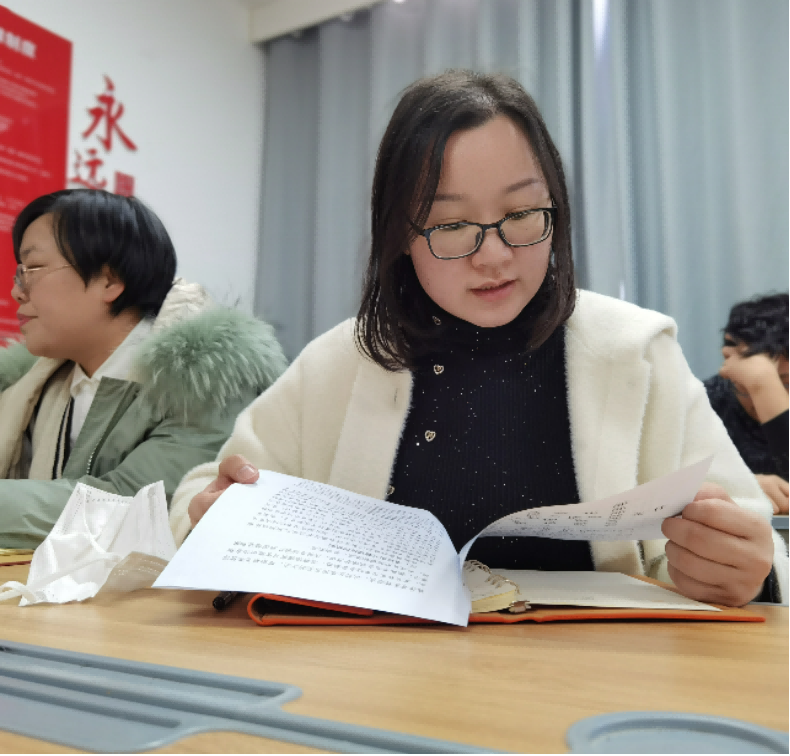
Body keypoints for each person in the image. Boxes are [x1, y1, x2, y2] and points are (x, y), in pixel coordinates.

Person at [171, 71, 787, 606]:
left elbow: (752, 539)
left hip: (597, 682)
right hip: (373, 680)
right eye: (450, 224)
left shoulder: (636, 351)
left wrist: (746, 571)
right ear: (399, 236)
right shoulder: (343, 361)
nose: (493, 255)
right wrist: (213, 519)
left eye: (521, 214)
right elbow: (206, 492)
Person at [0, 189, 287, 548]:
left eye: (32, 269)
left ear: (109, 280)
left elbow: (133, 508)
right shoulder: (32, 387)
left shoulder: (204, 378)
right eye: (19, 273)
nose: (17, 292)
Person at [704, 294, 789, 514]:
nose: (758, 401)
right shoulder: (705, 402)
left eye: (786, 383)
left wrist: (764, 384)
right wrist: (740, 487)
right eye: (745, 383)